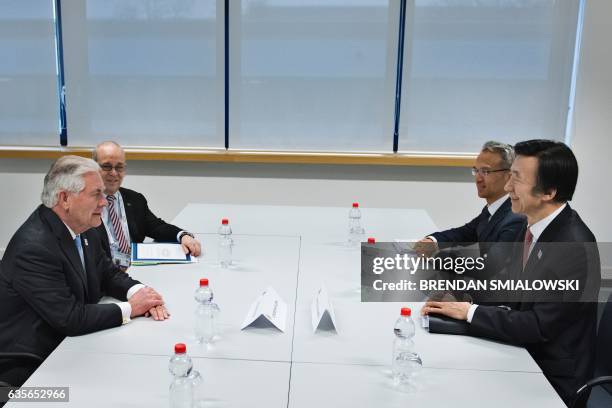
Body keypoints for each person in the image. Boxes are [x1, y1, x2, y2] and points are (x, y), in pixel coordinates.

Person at [421, 140, 601, 405]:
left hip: (551, 377)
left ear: (548, 191)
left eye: (516, 179)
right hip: (519, 352)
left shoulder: (573, 247)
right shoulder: (529, 227)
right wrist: (463, 297)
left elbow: (537, 326)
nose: (507, 187)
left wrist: (468, 312)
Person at [0, 156, 170, 387]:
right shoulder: (34, 247)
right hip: (29, 370)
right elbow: (70, 318)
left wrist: (142, 293)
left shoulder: (84, 226)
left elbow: (107, 273)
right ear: (65, 198)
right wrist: (132, 307)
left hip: (72, 346)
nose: (104, 202)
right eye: (96, 194)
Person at [413, 141, 525, 277]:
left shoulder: (515, 217)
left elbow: (489, 267)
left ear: (509, 175)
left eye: (485, 171)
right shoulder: (494, 209)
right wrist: (433, 241)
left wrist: (437, 258)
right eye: (476, 171)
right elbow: (465, 233)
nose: (478, 178)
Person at [92, 141, 201, 268]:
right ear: (94, 168)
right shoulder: (85, 204)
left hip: (135, 269)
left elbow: (156, 227)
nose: (114, 173)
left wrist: (183, 235)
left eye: (119, 167)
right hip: (104, 275)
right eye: (107, 166)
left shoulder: (135, 199)